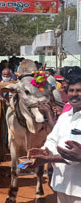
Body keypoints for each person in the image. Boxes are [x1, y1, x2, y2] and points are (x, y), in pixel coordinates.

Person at [28, 71, 81, 203]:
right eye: (71, 90)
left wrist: (47, 158)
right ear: (66, 92)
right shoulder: (64, 117)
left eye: (79, 91)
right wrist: (45, 150)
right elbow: (52, 139)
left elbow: (74, 156)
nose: (74, 94)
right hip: (61, 184)